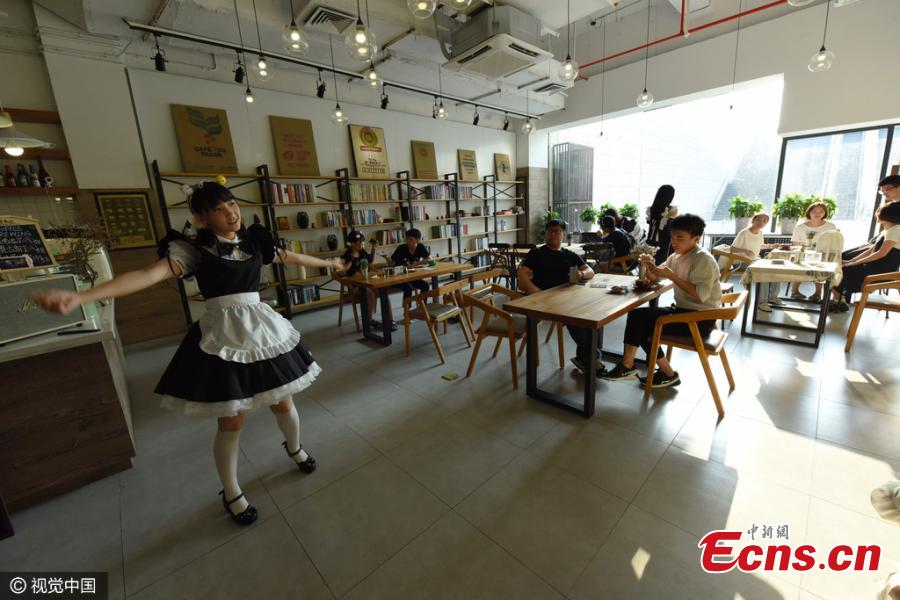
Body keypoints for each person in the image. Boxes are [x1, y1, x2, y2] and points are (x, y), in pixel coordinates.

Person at [30, 182, 349, 527]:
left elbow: (291, 257)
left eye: (232, 204)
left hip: (262, 329)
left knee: (283, 401)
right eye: (219, 209)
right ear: (200, 217)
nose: (231, 213)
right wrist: (81, 298)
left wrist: (328, 262)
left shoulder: (255, 240)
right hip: (223, 336)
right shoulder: (193, 250)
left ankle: (295, 448)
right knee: (232, 420)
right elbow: (147, 275)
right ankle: (231, 491)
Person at [603, 214, 721, 388]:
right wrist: (649, 266)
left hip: (699, 319)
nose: (674, 242)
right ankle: (663, 373)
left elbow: (700, 295)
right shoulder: (677, 256)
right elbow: (656, 277)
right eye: (673, 238)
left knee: (640, 320)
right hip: (683, 312)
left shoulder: (702, 259)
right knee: (639, 319)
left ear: (696, 239)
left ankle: (629, 366)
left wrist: (671, 276)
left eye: (680, 238)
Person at [517, 219, 605, 376]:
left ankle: (585, 357)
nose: (552, 234)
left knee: (595, 314)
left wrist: (581, 274)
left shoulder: (569, 254)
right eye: (549, 231)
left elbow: (590, 272)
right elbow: (522, 274)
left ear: (563, 234)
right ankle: (592, 358)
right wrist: (535, 291)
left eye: (556, 231)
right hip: (546, 300)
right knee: (573, 318)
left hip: (568, 297)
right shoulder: (537, 253)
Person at [830, 202, 900, 311]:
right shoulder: (887, 230)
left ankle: (839, 301)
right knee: (840, 268)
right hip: (876, 266)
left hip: (882, 270)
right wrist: (851, 261)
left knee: (843, 271)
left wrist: (853, 263)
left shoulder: (895, 230)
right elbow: (871, 250)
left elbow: (881, 253)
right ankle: (839, 300)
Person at [340, 230, 394, 330]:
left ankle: (390, 320)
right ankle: (369, 321)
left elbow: (370, 261)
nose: (362, 244)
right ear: (353, 243)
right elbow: (353, 274)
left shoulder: (362, 251)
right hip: (356, 285)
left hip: (368, 281)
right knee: (369, 293)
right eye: (360, 242)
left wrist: (373, 248)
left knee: (382, 291)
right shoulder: (347, 256)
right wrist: (368, 274)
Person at [789, 201, 838, 300]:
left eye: (821, 211)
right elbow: (795, 243)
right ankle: (794, 291)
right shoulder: (800, 227)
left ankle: (817, 293)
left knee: (820, 264)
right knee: (801, 262)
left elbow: (834, 242)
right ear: (809, 212)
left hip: (823, 254)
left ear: (825, 213)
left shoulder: (831, 226)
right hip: (804, 254)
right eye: (814, 211)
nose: (817, 213)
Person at [386, 228, 431, 298]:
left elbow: (428, 259)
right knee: (408, 288)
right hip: (398, 277)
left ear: (417, 240)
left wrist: (414, 264)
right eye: (407, 239)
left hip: (410, 277)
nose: (408, 241)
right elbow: (391, 264)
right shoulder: (401, 248)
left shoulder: (420, 247)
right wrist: (387, 259)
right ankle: (407, 305)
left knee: (425, 286)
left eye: (411, 239)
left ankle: (422, 303)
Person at [646, 185, 677, 264]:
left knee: (650, 264)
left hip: (650, 242)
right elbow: (671, 229)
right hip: (664, 243)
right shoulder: (672, 210)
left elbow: (650, 228)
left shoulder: (651, 209)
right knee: (661, 266)